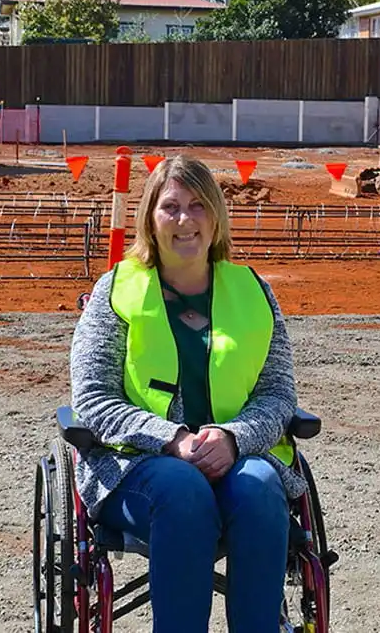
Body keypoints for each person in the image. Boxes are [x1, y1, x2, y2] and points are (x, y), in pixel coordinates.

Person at [69, 155, 304, 632]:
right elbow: (92, 398)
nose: (184, 220)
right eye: (170, 206)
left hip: (238, 456)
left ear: (216, 217)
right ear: (150, 220)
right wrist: (173, 438)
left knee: (260, 489)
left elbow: (279, 394)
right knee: (183, 490)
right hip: (135, 463)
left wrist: (233, 438)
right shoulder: (117, 291)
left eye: (198, 206)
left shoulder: (253, 291)